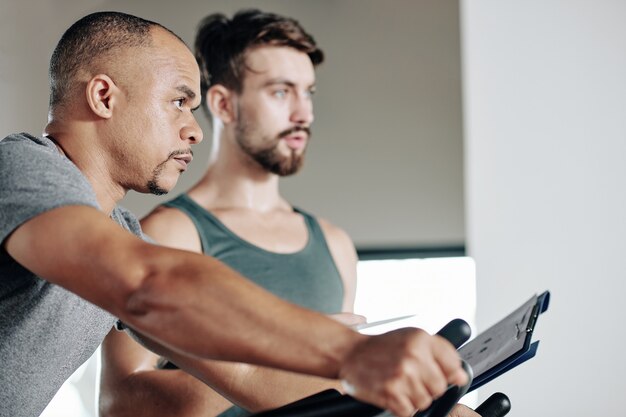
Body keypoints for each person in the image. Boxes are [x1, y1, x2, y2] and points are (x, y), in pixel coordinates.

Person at [0, 10, 468, 417]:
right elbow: (147, 284)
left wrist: (424, 406)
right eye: (179, 102)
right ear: (104, 97)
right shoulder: (20, 166)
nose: (194, 131)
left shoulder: (121, 232)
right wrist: (348, 351)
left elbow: (244, 375)